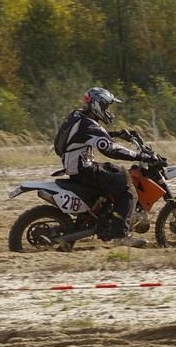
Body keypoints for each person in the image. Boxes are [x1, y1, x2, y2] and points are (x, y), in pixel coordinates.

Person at [54, 87, 157, 248]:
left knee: (120, 172)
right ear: (96, 105)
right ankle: (121, 236)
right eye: (106, 107)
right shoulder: (88, 125)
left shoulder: (77, 116)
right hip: (83, 169)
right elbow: (110, 149)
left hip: (79, 165)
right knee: (127, 188)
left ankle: (114, 213)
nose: (108, 111)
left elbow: (89, 135)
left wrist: (116, 133)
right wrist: (140, 156)